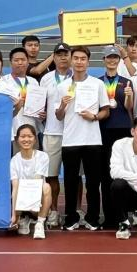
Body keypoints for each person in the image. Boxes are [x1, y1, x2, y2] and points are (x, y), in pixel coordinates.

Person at [56, 45, 110, 230]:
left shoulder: (97, 84)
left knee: (93, 182)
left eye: (83, 59)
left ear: (88, 62)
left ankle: (92, 218)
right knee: (70, 182)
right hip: (70, 140)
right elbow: (58, 116)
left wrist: (93, 117)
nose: (79, 62)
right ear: (71, 60)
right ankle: (70, 218)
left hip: (92, 140)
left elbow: (105, 110)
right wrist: (62, 105)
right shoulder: (62, 86)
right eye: (76, 58)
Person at [98, 45, 134, 229]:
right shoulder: (97, 82)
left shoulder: (127, 82)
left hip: (123, 131)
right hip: (103, 130)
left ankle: (123, 216)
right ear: (104, 60)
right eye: (109, 57)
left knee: (123, 174)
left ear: (119, 60)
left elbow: (129, 107)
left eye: (115, 57)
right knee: (106, 175)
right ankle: (108, 217)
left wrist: (128, 96)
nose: (112, 60)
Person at [41, 43, 72, 228]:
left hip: (74, 133)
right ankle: (53, 211)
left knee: (74, 176)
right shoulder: (45, 78)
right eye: (59, 54)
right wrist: (40, 112)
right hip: (52, 132)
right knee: (51, 175)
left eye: (65, 54)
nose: (62, 57)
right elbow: (40, 103)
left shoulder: (78, 78)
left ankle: (76, 211)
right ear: (53, 57)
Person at [9, 124, 51, 239]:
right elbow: (15, 187)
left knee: (46, 187)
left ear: (35, 139)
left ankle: (40, 222)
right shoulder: (14, 160)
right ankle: (23, 218)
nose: (26, 139)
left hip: (36, 201)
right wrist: (14, 215)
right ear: (17, 139)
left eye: (30, 136)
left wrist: (33, 205)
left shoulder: (43, 156)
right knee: (16, 189)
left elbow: (37, 182)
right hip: (21, 201)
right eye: (23, 136)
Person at [3, 47, 44, 147]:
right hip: (13, 131)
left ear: (28, 62)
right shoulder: (3, 82)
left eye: (23, 60)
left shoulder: (34, 82)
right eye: (16, 60)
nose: (20, 63)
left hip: (32, 131)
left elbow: (38, 105)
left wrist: (42, 115)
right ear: (10, 63)